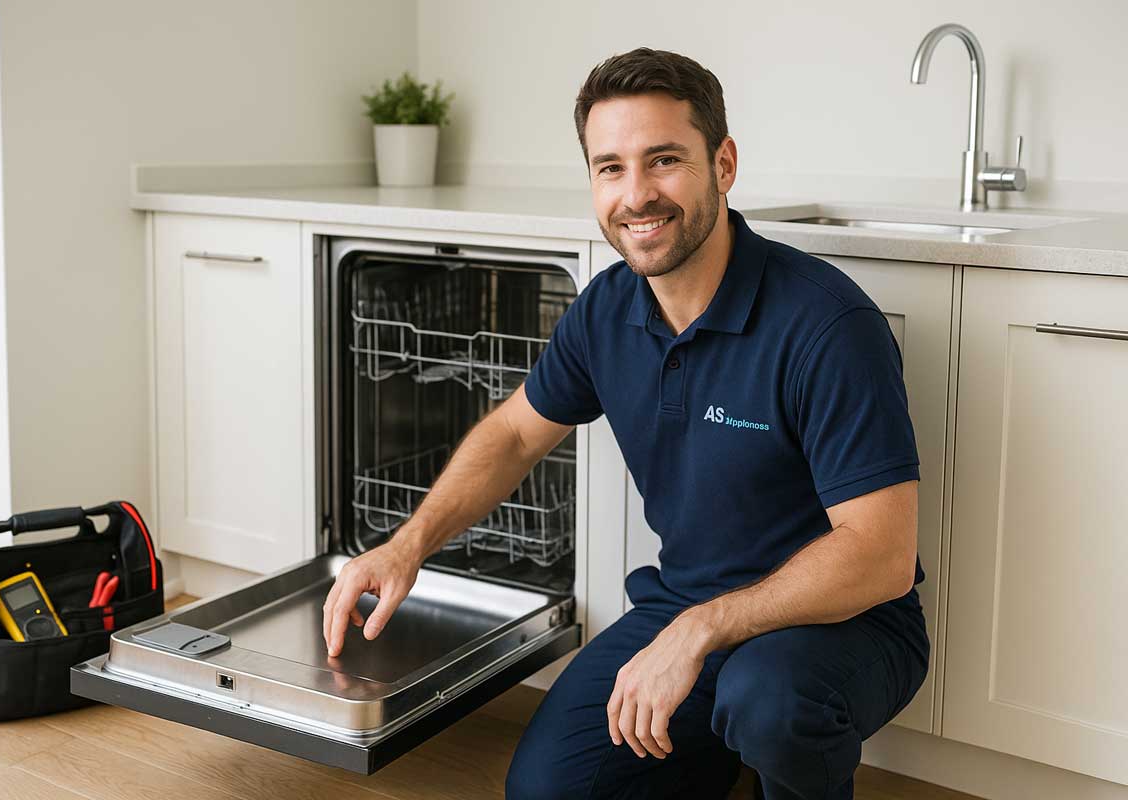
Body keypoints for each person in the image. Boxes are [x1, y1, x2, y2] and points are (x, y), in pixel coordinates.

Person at [322, 47, 930, 800]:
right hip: (685, 612)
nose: (636, 194)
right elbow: (514, 434)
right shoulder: (606, 310)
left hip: (846, 627)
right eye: (610, 168)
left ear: (724, 164)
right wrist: (406, 545)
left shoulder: (825, 324)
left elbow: (880, 556)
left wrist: (703, 629)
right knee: (547, 792)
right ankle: (708, 755)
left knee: (770, 704)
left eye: (664, 159)